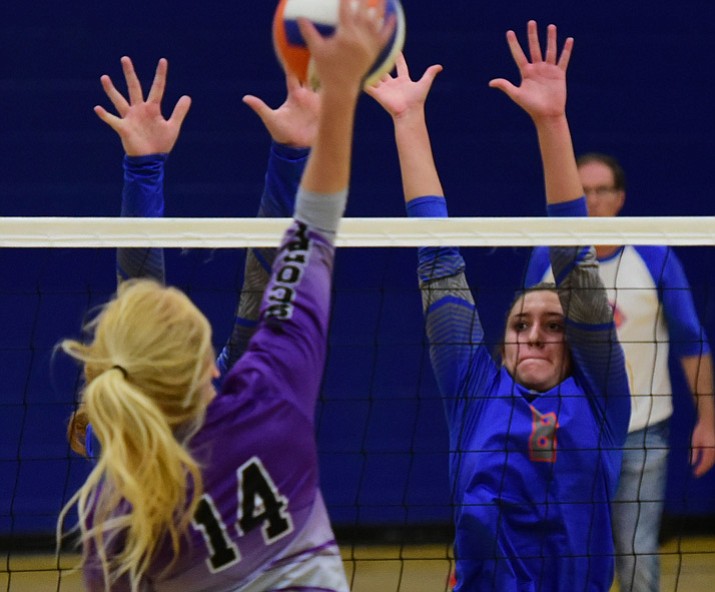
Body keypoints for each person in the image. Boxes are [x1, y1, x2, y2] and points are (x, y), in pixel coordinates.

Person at [57, 2, 395, 590]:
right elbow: (299, 250)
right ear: (212, 370)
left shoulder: (113, 505)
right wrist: (326, 114)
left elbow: (141, 306)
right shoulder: (268, 405)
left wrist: (143, 171)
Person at [367, 22, 630, 590]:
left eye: (554, 325)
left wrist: (552, 120)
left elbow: (573, 262)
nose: (534, 334)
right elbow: (438, 265)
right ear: (501, 340)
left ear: (578, 340)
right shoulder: (474, 390)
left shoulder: (601, 397)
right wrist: (408, 120)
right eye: (521, 323)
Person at [67, 55, 320, 459]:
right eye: (203, 360)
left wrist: (145, 169)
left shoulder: (214, 404)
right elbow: (142, 309)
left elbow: (258, 308)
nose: (217, 370)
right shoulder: (121, 436)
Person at [524, 152, 715, 592]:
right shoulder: (547, 256)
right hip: (568, 430)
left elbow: (691, 339)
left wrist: (708, 419)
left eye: (601, 190)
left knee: (634, 550)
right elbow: (525, 343)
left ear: (620, 197)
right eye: (582, 191)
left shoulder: (653, 256)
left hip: (643, 430)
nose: (591, 200)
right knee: (566, 549)